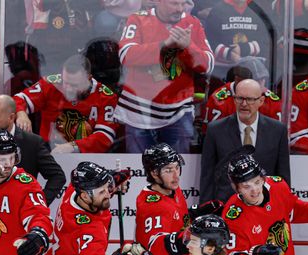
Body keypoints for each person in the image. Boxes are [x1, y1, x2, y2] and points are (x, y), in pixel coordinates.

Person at [114, 0, 215, 153]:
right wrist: (164, 45)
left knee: (176, 172)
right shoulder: (138, 19)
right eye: (174, 4)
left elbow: (208, 64)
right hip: (139, 111)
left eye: (183, 4)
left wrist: (188, 47)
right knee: (140, 171)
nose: (180, 9)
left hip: (179, 111)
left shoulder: (192, 22)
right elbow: (126, 55)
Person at [131, 143, 222, 255]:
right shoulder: (153, 206)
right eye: (168, 170)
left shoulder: (171, 189)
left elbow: (177, 218)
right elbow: (155, 245)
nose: (176, 175)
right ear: (154, 173)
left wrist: (196, 212)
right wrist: (189, 236)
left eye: (177, 167)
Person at [44, 161, 142, 255]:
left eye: (107, 188)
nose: (108, 194)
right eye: (102, 192)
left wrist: (113, 181)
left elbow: (92, 184)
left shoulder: (75, 190)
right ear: (84, 196)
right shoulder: (87, 228)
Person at [200, 79, 290, 203]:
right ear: (233, 99)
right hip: (227, 207)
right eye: (239, 98)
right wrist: (206, 210)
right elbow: (207, 177)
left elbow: (283, 177)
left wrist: (284, 206)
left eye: (250, 99)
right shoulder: (215, 130)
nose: (244, 104)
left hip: (266, 208)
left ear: (261, 101)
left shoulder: (278, 130)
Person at [13, 54, 119, 154]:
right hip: (48, 153)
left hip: (88, 157)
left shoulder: (105, 97)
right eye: (65, 82)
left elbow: (105, 137)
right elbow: (18, 99)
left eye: (74, 85)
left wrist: (72, 147)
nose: (68, 88)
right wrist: (21, 113)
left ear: (88, 78)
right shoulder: (51, 85)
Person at [203, 0, 274, 87]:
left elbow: (267, 40)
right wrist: (229, 53)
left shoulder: (258, 9)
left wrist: (243, 49)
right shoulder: (217, 10)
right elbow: (209, 40)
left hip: (254, 70)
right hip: (223, 70)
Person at [204, 58, 282, 129]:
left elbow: (277, 137)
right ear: (237, 80)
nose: (260, 85)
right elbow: (214, 138)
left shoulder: (271, 102)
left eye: (263, 79)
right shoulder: (219, 101)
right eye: (255, 80)